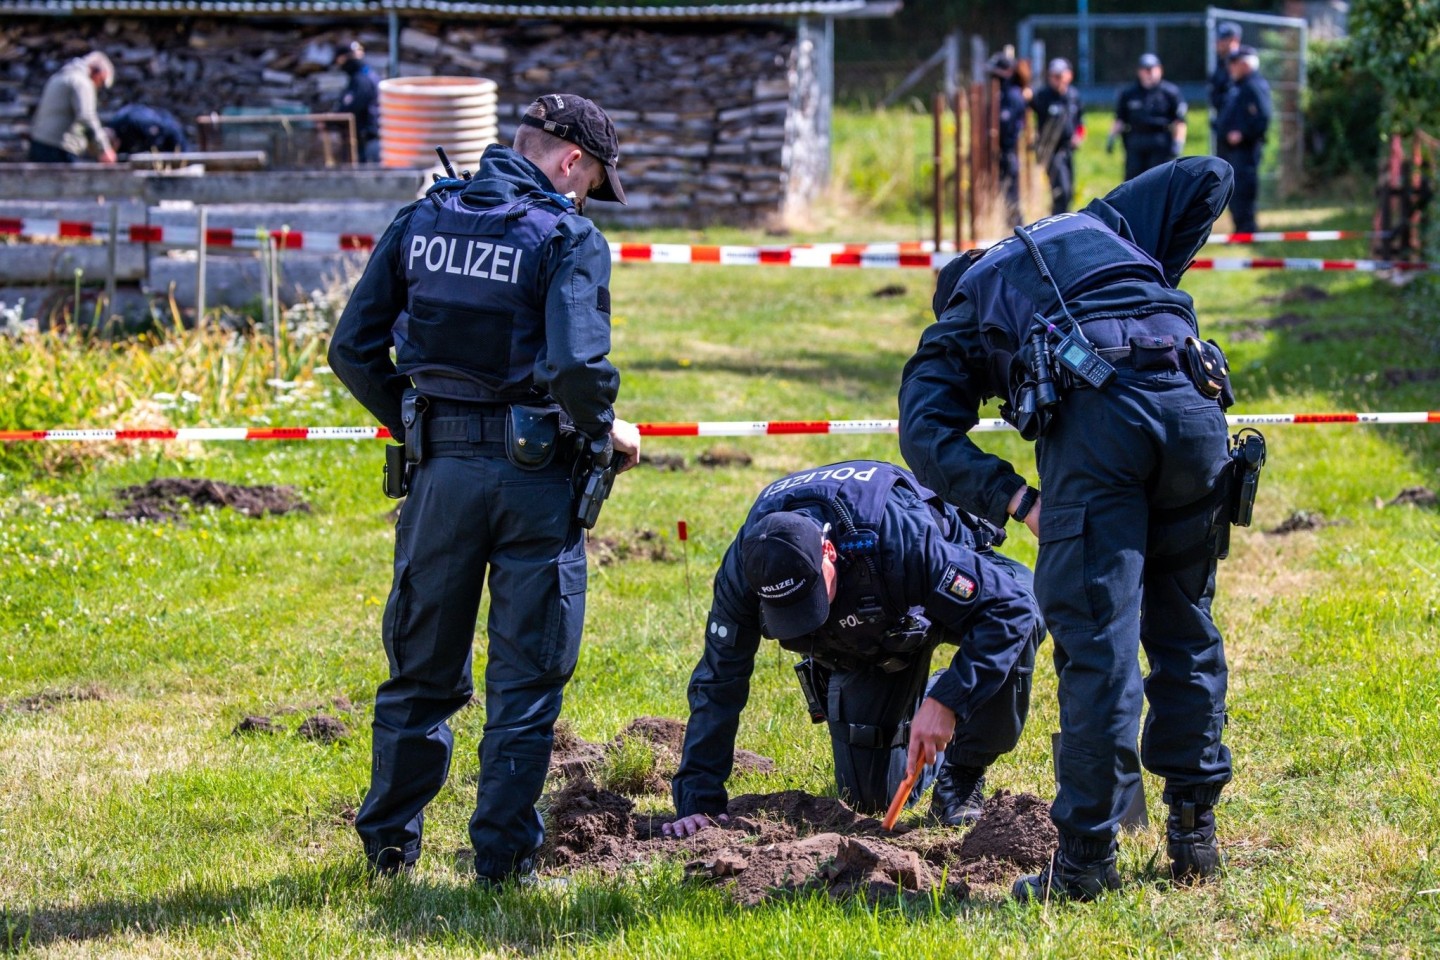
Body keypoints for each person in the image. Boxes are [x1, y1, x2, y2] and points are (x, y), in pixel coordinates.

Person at [898, 156, 1239, 901]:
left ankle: (1085, 863)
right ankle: (1193, 838)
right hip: (1194, 399)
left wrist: (1017, 500)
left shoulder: (963, 309)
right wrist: (1149, 281)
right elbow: (1210, 175)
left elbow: (923, 434)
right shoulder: (1099, 224)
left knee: (1096, 642)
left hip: (1104, 430)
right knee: (1185, 622)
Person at [328, 93, 642, 884]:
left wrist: (415, 418)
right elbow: (575, 368)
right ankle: (502, 862)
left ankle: (390, 850)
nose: (586, 196)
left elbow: (352, 349)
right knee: (527, 678)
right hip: (533, 482)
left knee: (420, 671)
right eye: (592, 179)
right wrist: (605, 430)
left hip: (438, 474)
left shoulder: (421, 219)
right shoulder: (567, 235)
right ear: (570, 160)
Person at [661, 460, 1044, 840]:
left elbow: (1010, 610)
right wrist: (698, 800)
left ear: (829, 550)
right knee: (873, 797)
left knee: (1024, 621)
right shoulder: (747, 566)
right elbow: (718, 679)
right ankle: (926, 700)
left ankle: (961, 771)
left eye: (810, 599)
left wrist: (950, 701)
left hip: (940, 586)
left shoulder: (897, 536)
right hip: (877, 636)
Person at [1216, 46, 1272, 234]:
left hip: (1245, 150)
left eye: (1234, 63)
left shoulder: (1254, 85)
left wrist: (1243, 133)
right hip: (1232, 150)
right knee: (1235, 191)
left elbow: (1263, 117)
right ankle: (1241, 229)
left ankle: (1247, 231)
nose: (1230, 67)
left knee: (1243, 191)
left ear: (1245, 64)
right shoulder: (1239, 85)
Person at [28, 51, 117, 164]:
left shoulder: (60, 76)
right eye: (102, 82)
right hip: (59, 149)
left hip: (38, 143)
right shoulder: (82, 82)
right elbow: (86, 117)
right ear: (98, 72)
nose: (99, 87)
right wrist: (104, 150)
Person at [1110, 54, 1187, 181]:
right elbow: (1120, 119)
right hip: (1136, 141)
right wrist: (1111, 138)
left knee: (1159, 180)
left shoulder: (1170, 93)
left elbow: (1179, 121)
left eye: (1152, 69)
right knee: (1133, 181)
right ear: (1139, 71)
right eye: (1145, 69)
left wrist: (1178, 143)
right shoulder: (1129, 93)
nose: (1149, 73)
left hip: (1160, 141)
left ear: (1160, 69)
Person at [1030, 58, 1085, 215]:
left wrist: (1079, 136)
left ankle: (1064, 217)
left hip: (1068, 149)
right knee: (1061, 190)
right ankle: (1058, 220)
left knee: (1069, 190)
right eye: (1054, 76)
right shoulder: (1042, 96)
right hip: (1051, 151)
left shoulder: (1074, 95)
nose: (1057, 80)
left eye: (1060, 76)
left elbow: (1080, 122)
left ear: (1069, 76)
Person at [991, 55, 1028, 229]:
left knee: (1011, 194)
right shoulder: (1006, 94)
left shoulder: (1011, 96)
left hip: (1008, 151)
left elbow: (1006, 125)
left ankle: (1016, 227)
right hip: (1004, 152)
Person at [334, 41, 380, 163]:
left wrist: (331, 120)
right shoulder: (365, 76)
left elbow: (350, 108)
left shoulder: (362, 80)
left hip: (368, 139)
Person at [106, 104, 189, 156]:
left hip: (168, 132)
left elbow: (158, 133)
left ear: (116, 142)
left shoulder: (134, 121)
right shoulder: (114, 126)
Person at [1208, 23, 1243, 131]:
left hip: (1239, 129)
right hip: (1224, 125)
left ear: (1234, 40)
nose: (1218, 42)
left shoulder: (1242, 64)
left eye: (1222, 39)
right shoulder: (1221, 64)